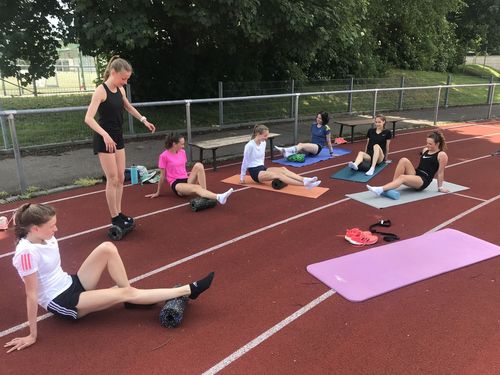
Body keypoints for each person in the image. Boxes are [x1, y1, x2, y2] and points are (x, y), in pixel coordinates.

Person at [5, 203, 214, 353]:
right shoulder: (25, 254)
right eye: (52, 226)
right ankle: (188, 290)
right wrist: (32, 335)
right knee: (122, 292)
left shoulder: (44, 236)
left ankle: (131, 298)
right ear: (35, 229)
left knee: (107, 247)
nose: (56, 229)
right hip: (61, 301)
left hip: (71, 283)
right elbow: (31, 295)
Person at [84, 56, 156, 230]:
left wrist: (143, 119)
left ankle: (119, 212)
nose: (125, 82)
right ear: (113, 72)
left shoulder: (120, 90)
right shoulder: (100, 91)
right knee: (113, 178)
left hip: (117, 137)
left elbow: (128, 107)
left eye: (127, 79)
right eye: (123, 78)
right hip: (104, 139)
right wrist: (104, 134)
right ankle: (114, 216)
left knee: (121, 178)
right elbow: (88, 118)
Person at [145, 133, 234, 204]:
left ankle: (204, 193)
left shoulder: (182, 152)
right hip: (176, 184)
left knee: (199, 165)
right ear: (174, 144)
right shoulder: (163, 156)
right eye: (182, 144)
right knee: (196, 188)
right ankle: (219, 197)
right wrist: (158, 192)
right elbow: (162, 176)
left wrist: (195, 178)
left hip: (186, 179)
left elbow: (182, 169)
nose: (183, 146)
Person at [367, 130, 450, 195]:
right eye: (427, 143)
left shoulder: (441, 155)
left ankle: (380, 189)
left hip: (423, 180)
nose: (427, 145)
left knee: (403, 177)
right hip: (416, 173)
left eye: (430, 144)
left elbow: (440, 173)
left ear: (437, 144)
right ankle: (392, 186)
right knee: (403, 160)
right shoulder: (425, 150)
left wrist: (440, 187)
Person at [240, 124, 321, 188]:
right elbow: (245, 161)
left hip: (262, 168)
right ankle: (305, 185)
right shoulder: (249, 145)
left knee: (283, 169)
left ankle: (304, 179)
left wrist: (265, 170)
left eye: (267, 135)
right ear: (258, 134)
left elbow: (261, 158)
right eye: (265, 136)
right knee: (278, 175)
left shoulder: (263, 143)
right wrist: (242, 177)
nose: (267, 138)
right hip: (255, 172)